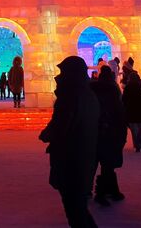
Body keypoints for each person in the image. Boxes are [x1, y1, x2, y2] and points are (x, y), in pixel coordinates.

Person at [40, 56, 99, 228]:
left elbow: (62, 125)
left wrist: (48, 134)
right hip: (84, 156)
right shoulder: (88, 94)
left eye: (62, 72)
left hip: (71, 158)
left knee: (75, 209)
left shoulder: (70, 96)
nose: (58, 77)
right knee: (78, 207)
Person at [89, 65, 127, 206]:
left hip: (95, 130)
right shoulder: (112, 89)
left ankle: (90, 190)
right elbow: (118, 110)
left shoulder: (93, 88)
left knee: (93, 164)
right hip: (109, 130)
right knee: (107, 165)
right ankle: (103, 192)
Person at [122, 73, 141, 152]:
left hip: (131, 112)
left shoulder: (127, 88)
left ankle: (137, 144)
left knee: (134, 129)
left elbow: (123, 100)